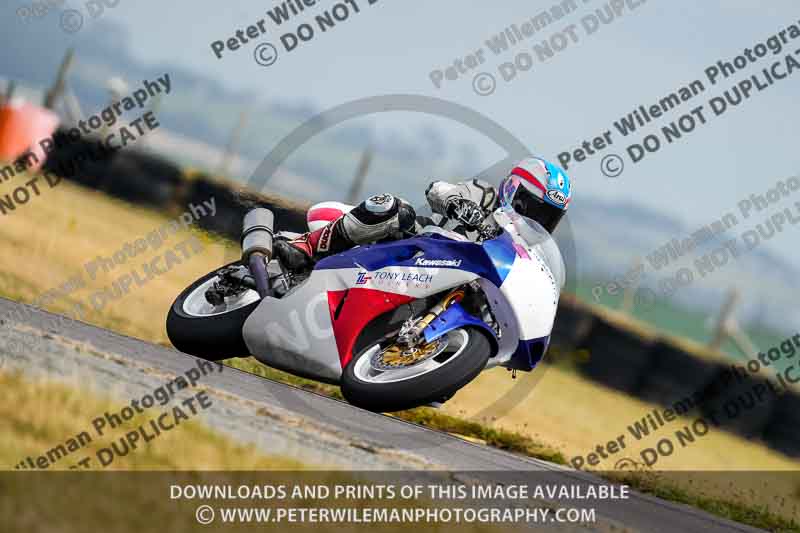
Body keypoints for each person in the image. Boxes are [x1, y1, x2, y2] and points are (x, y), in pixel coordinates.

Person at [274, 157, 572, 269]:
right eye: (532, 208)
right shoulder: (485, 195)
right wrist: (458, 204)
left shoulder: (523, 254)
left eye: (547, 217)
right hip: (415, 247)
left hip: (452, 277)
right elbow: (439, 189)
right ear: (512, 189)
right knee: (393, 207)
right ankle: (306, 247)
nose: (536, 220)